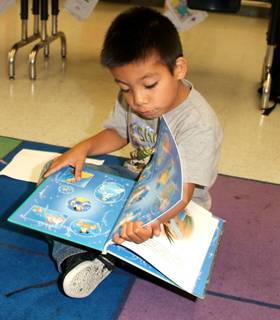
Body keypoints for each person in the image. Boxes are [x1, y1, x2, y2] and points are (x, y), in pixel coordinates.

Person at [43, 6, 223, 298]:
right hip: (130, 184)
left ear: (179, 69)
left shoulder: (198, 124)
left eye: (150, 85)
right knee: (56, 172)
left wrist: (146, 220)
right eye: (125, 88)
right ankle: (78, 258)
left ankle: (111, 251)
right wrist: (82, 149)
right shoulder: (134, 99)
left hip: (174, 208)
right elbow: (118, 132)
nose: (138, 100)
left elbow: (181, 193)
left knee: (154, 241)